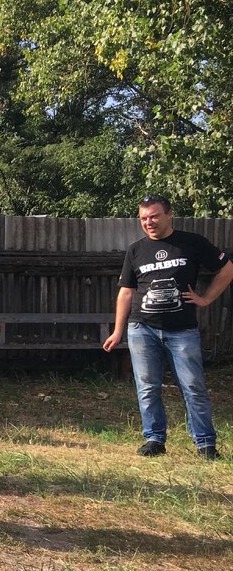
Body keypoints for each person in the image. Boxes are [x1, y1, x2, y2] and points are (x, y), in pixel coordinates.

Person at [102, 194, 232, 460]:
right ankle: (154, 439)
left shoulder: (192, 243)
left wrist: (206, 298)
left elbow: (227, 269)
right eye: (143, 218)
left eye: (154, 216)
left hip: (182, 330)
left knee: (193, 385)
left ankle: (205, 444)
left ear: (169, 214)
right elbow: (126, 292)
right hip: (142, 328)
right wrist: (118, 331)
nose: (149, 222)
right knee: (147, 386)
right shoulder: (135, 250)